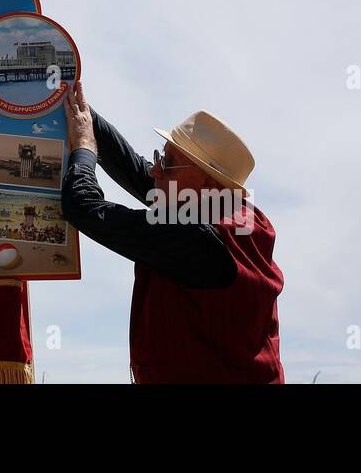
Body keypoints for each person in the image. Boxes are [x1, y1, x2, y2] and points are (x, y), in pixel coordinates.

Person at [60, 80, 284, 383]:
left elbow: (84, 208)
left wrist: (85, 148)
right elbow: (140, 173)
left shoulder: (197, 239)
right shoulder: (235, 216)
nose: (155, 170)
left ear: (208, 184)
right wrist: (82, 110)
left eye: (166, 162)